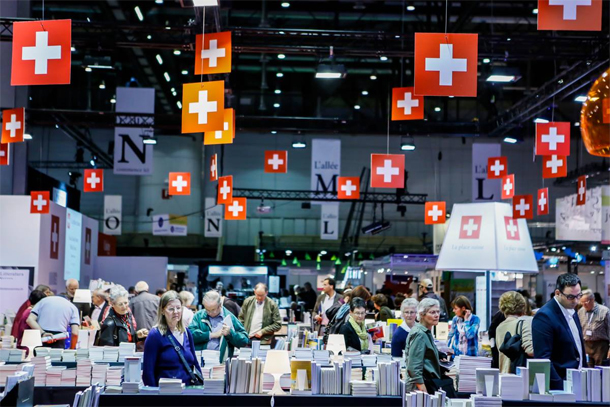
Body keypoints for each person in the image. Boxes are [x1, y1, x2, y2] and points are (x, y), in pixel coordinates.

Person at [532, 273, 586, 390]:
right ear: (557, 293)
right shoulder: (544, 316)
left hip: (578, 382)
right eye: (571, 297)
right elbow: (543, 359)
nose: (576, 301)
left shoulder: (572, 310)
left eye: (579, 295)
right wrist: (560, 386)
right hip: (560, 387)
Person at [143, 291, 202, 386]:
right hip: (166, 394)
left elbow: (195, 363)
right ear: (162, 311)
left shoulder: (186, 332)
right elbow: (148, 372)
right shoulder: (155, 335)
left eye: (178, 308)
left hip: (188, 392)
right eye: (171, 309)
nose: (176, 312)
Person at [189, 290, 248, 363]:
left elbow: (244, 340)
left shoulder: (229, 317)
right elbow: (190, 335)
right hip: (200, 361)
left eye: (213, 310)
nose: (210, 313)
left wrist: (231, 334)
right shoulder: (199, 316)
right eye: (207, 310)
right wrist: (211, 335)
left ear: (220, 305)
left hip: (221, 363)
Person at [405, 298, 442, 394]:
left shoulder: (425, 332)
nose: (437, 315)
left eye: (438, 312)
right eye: (432, 312)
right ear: (422, 314)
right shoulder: (420, 334)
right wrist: (423, 392)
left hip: (424, 384)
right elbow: (414, 367)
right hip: (419, 388)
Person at [496, 291, 534, 373]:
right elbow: (530, 351)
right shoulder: (524, 322)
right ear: (522, 305)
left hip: (504, 374)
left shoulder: (499, 327)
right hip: (518, 375)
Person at [578, 289, 610, 367]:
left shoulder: (604, 311)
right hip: (586, 345)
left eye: (586, 302)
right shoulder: (580, 311)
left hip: (600, 346)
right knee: (587, 368)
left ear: (592, 300)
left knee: (600, 368)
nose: (584, 304)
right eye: (582, 302)